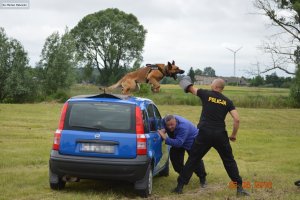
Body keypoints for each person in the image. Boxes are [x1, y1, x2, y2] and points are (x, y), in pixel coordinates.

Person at [173, 76, 250, 196]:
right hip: (220, 135)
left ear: (214, 87)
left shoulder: (206, 94)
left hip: (204, 133)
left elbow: (190, 88)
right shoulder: (227, 101)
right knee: (229, 161)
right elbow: (237, 119)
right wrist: (233, 135)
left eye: (211, 84)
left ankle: (180, 186)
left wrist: (183, 80)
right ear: (222, 89)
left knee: (193, 159)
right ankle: (239, 188)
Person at [158, 114, 207, 188]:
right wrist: (163, 128)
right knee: (175, 159)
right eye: (168, 125)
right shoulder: (165, 120)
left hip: (191, 141)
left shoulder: (183, 127)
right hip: (176, 139)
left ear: (175, 122)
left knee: (195, 161)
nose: (170, 127)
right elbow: (161, 122)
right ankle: (184, 175)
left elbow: (178, 143)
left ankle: (202, 178)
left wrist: (165, 137)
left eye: (172, 125)